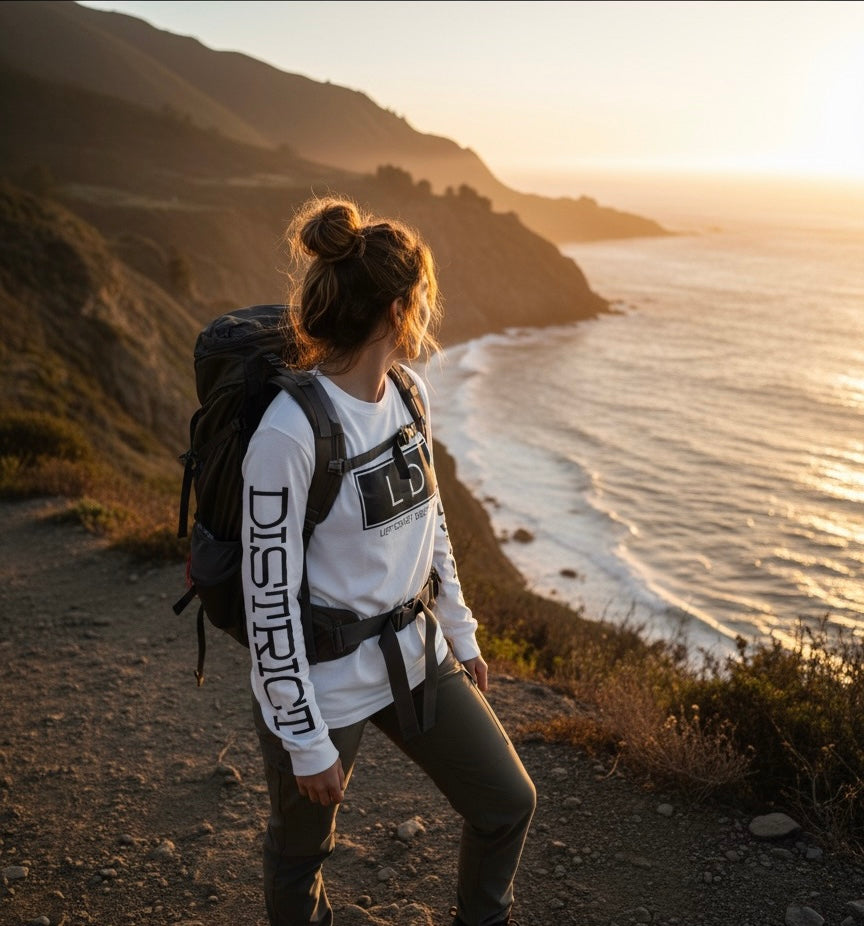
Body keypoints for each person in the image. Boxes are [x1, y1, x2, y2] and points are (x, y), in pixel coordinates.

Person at [241, 196, 536, 926]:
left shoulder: (409, 393)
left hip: (414, 653)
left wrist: (462, 635)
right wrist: (305, 740)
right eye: (423, 298)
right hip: (322, 678)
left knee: (506, 802)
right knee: (301, 853)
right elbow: (267, 600)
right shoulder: (289, 432)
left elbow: (430, 521)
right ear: (400, 307)